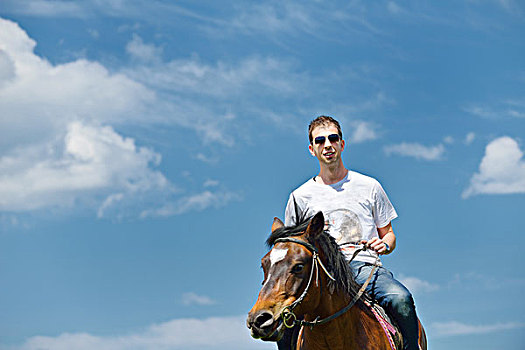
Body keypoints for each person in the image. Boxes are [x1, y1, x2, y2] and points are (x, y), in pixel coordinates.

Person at [281, 115, 420, 350]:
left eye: (333, 138)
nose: (327, 145)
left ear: (342, 144)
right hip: (320, 275)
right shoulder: (299, 197)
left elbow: (389, 235)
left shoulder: (369, 186)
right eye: (320, 140)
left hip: (365, 268)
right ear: (311, 149)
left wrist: (384, 245)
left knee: (402, 299)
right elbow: (292, 249)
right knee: (284, 320)